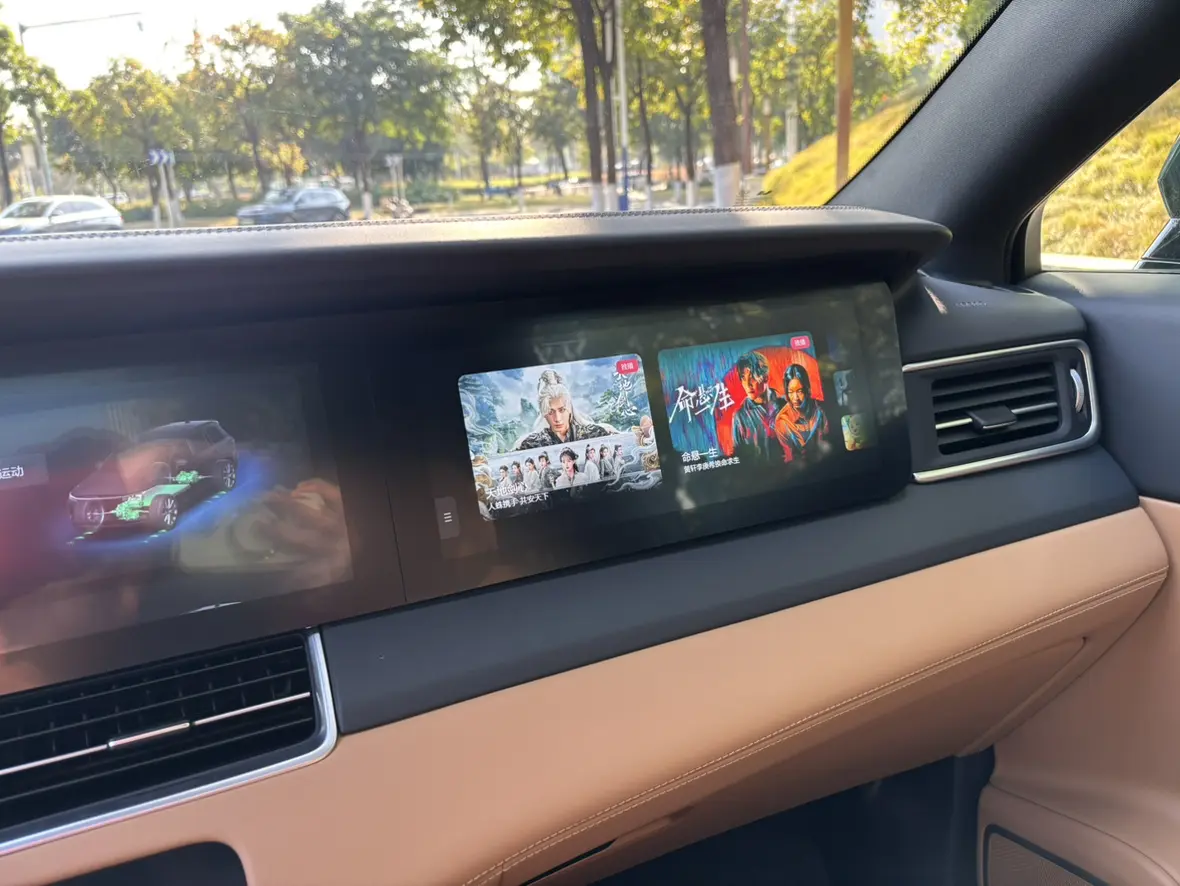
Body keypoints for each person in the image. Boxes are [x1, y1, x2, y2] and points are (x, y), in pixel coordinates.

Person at [515, 369, 616, 450]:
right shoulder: (531, 444)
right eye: (550, 412)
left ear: (570, 409)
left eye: (562, 410)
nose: (557, 418)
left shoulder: (595, 433)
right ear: (544, 414)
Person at [730, 352, 784, 463]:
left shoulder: (785, 404)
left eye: (752, 378)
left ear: (766, 377)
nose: (747, 384)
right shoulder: (740, 416)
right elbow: (739, 457)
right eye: (743, 378)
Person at [774, 364, 830, 462]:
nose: (795, 398)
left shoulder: (819, 411)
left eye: (799, 391)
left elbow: (826, 440)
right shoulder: (782, 421)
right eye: (791, 392)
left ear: (807, 389)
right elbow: (789, 457)